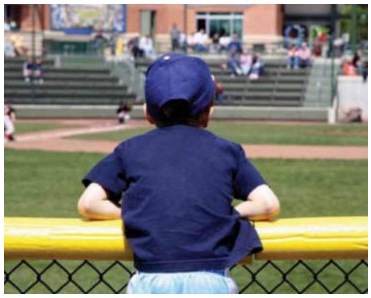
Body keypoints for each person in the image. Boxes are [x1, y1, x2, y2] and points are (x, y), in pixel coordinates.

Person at [77, 53, 280, 294]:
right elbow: (268, 204)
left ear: (147, 113)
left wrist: (140, 214)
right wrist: (222, 215)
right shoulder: (227, 151)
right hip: (211, 282)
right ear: (208, 112)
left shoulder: (130, 150)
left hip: (150, 281)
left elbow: (89, 203)